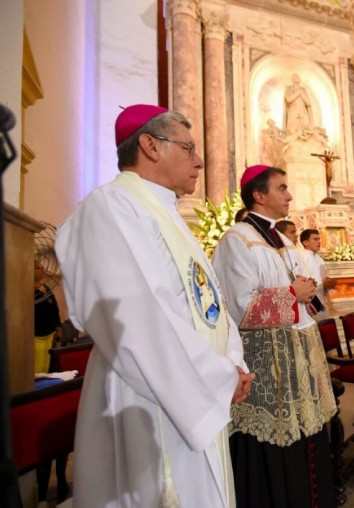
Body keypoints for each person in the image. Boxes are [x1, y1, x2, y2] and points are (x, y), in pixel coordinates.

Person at [55, 104, 254, 508]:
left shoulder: (169, 215)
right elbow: (139, 318)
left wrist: (233, 362)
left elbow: (210, 303)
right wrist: (219, 375)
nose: (199, 161)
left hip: (197, 385)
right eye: (189, 148)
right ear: (150, 145)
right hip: (147, 394)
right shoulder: (110, 206)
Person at [212, 164, 337, 508]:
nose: (290, 195)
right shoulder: (237, 240)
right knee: (273, 452)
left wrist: (304, 292)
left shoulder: (282, 240)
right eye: (281, 188)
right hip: (268, 370)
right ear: (258, 194)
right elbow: (238, 308)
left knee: (306, 444)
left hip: (297, 365)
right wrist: (292, 294)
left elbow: (296, 291)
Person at [299, 228, 336, 315]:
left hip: (322, 297)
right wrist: (322, 285)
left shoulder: (319, 258)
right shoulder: (302, 258)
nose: (319, 242)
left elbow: (323, 277)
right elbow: (305, 281)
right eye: (315, 239)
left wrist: (329, 283)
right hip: (311, 301)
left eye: (319, 239)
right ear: (305, 242)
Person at [34, 259, 61, 374]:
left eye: (43, 268)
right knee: (37, 369)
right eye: (39, 268)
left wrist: (58, 328)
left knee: (46, 367)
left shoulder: (46, 288)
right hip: (37, 336)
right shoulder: (27, 291)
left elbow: (55, 309)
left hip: (50, 333)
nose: (43, 271)